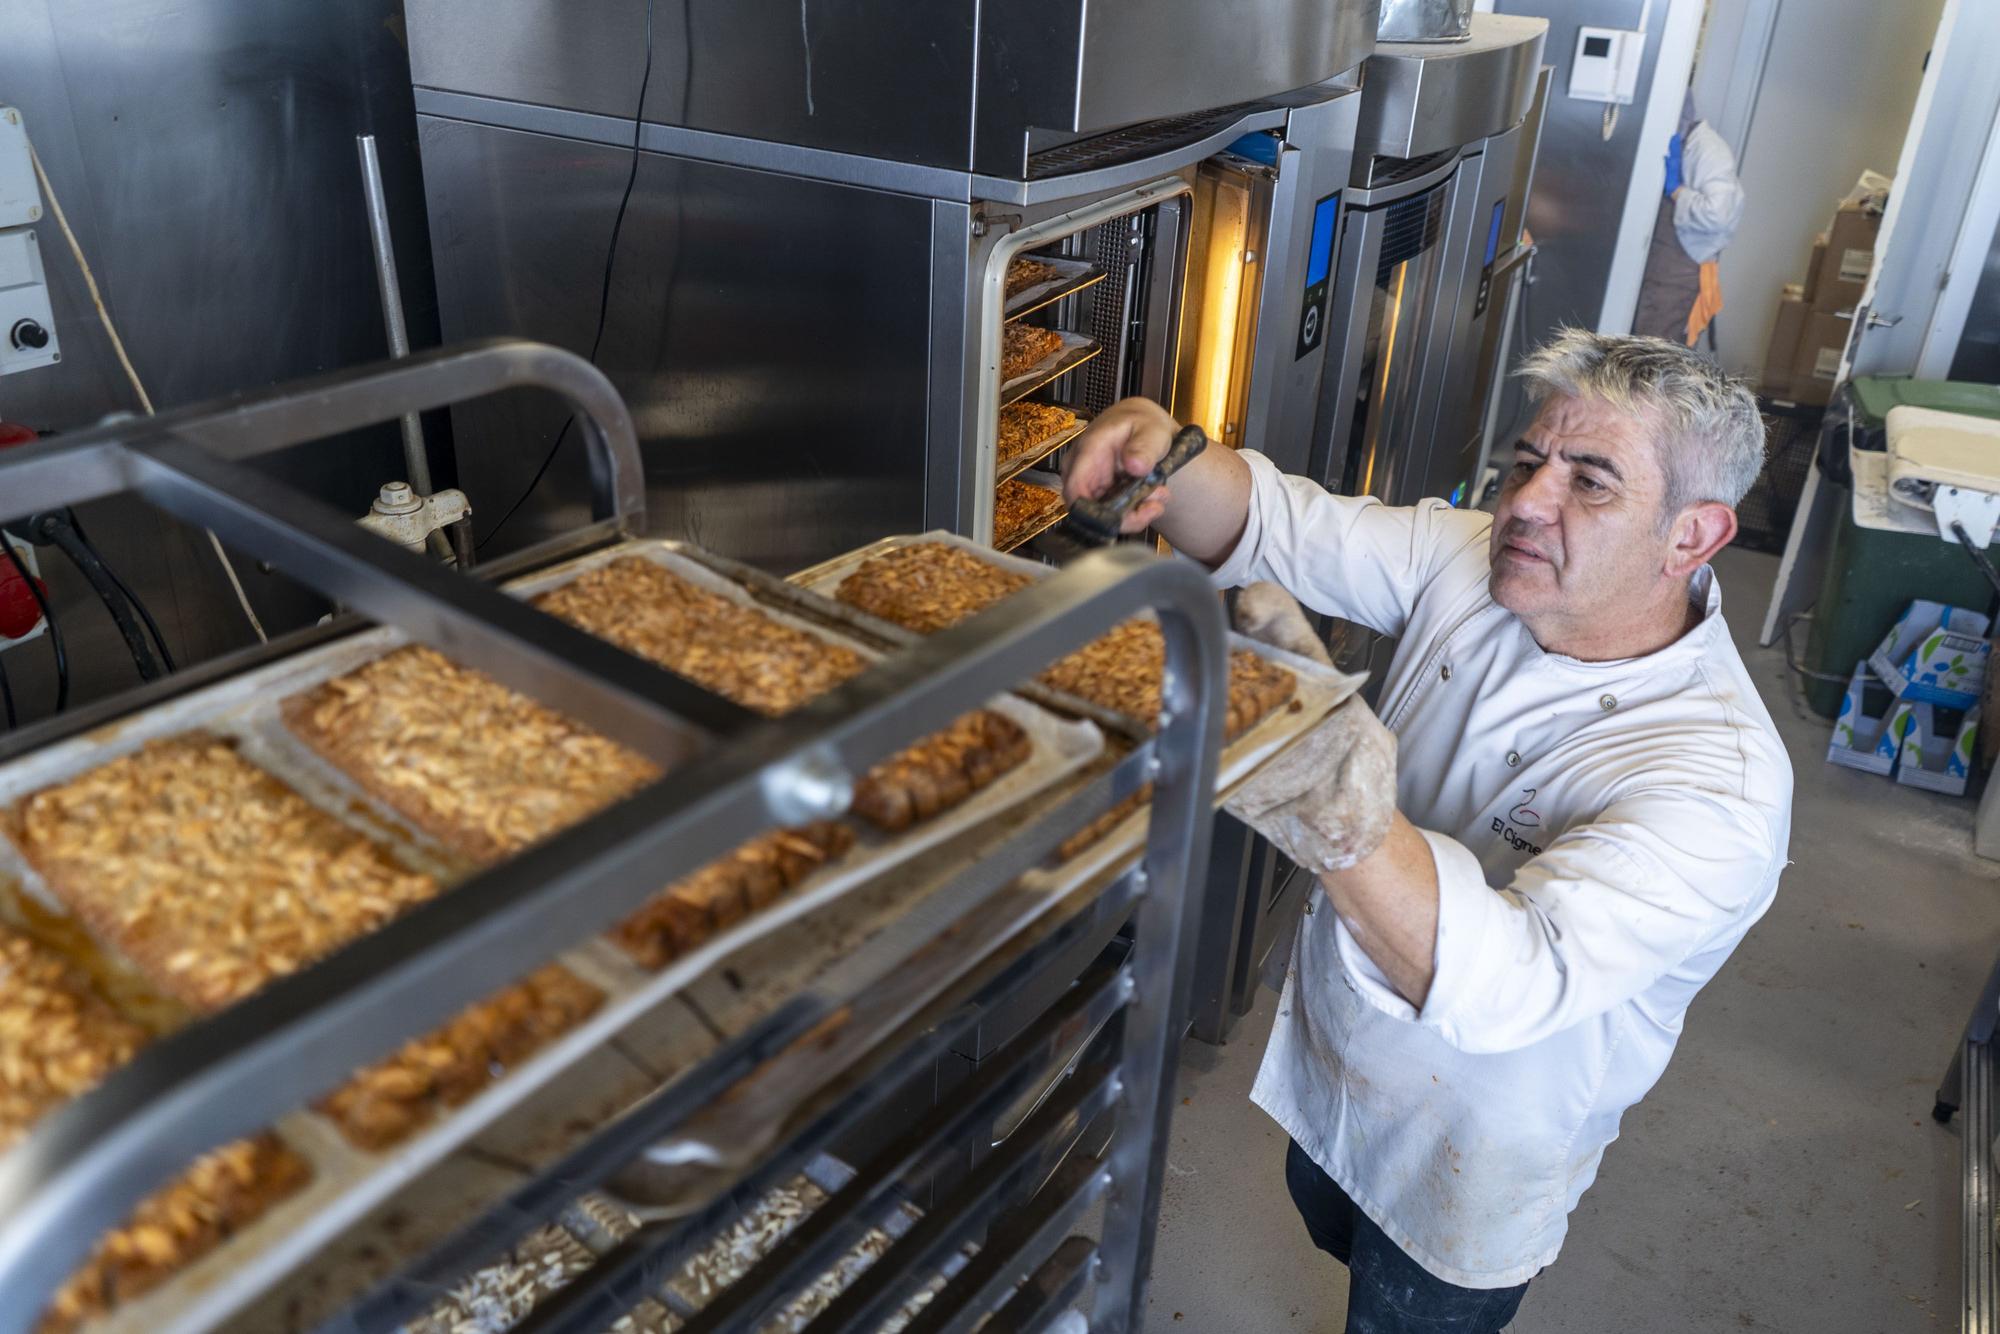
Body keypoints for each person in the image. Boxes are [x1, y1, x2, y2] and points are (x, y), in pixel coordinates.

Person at [1060, 330, 1792, 1333]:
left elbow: (1509, 980)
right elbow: (1281, 521)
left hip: (1476, 1147)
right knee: (1325, 1214)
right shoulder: (1482, 557)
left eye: (1589, 482)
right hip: (1343, 1057)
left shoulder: (1718, 782)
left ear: (1690, 537)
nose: (1527, 501)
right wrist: (1169, 454)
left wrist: (1323, 778)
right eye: (1527, 462)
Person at [1634, 95, 1745, 350]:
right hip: (1659, 273)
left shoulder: (1709, 150)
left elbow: (1718, 214)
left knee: (1655, 361)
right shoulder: (1682, 145)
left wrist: (1676, 191)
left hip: (1679, 275)